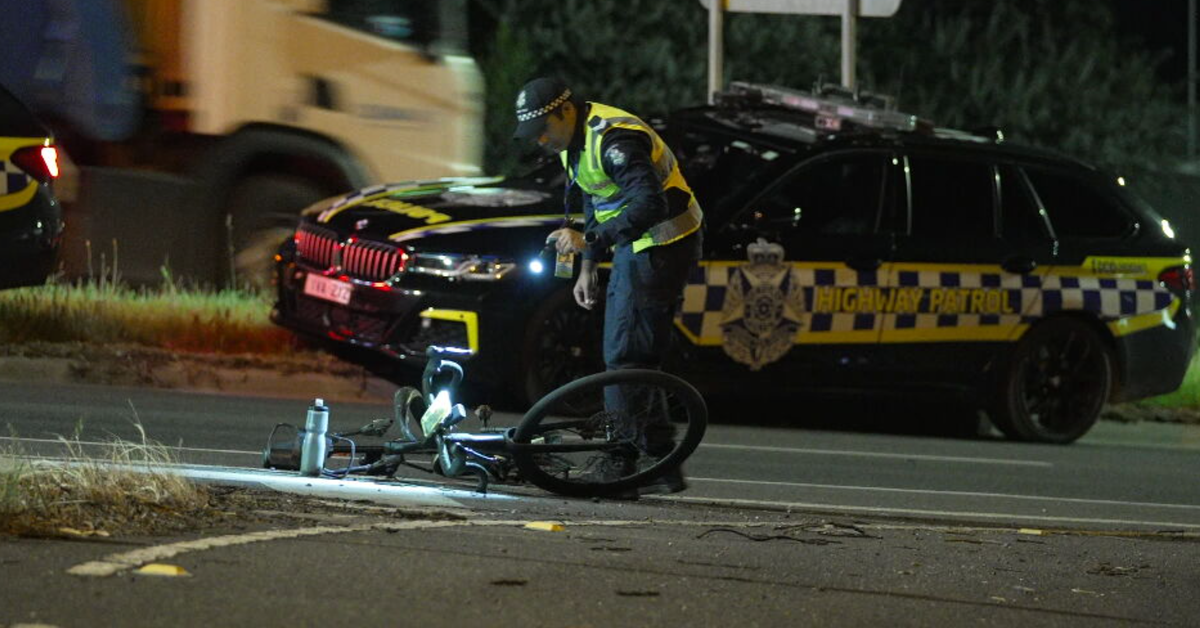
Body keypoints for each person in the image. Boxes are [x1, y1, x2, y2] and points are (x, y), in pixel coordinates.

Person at [512, 77, 703, 496]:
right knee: (634, 355)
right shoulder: (573, 142)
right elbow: (595, 200)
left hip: (664, 242)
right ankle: (659, 462)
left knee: (624, 354)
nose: (540, 140)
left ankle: (622, 462)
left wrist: (592, 241)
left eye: (543, 128)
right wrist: (587, 266)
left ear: (566, 111)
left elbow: (649, 204)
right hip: (638, 243)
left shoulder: (615, 139)